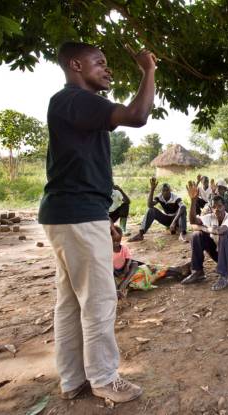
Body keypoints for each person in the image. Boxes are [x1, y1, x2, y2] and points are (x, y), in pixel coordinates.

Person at [39, 41, 155, 402]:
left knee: (72, 301)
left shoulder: (70, 105)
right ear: (75, 65)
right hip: (76, 216)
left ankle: (73, 379)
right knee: (99, 300)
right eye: (99, 63)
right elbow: (138, 115)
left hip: (69, 214)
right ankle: (105, 379)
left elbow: (79, 170)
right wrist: (148, 71)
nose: (107, 69)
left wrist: (102, 215)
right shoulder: (76, 99)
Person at [182, 183, 228, 291]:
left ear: (224, 207)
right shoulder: (211, 216)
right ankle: (198, 271)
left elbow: (220, 230)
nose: (217, 209)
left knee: (223, 234)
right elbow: (193, 222)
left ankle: (223, 276)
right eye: (214, 207)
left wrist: (203, 228)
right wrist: (193, 201)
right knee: (197, 235)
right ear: (211, 208)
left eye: (220, 206)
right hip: (220, 253)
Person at [112, 225, 187, 298]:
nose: (116, 243)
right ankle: (179, 270)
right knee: (153, 272)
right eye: (113, 241)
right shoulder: (106, 255)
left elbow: (129, 260)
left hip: (129, 274)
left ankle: (179, 270)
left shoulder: (122, 249)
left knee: (153, 269)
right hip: (122, 279)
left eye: (117, 241)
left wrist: (127, 267)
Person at [128, 178, 187, 242]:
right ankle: (140, 234)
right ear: (162, 191)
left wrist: (174, 222)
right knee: (151, 210)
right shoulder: (160, 197)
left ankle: (182, 234)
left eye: (167, 190)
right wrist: (152, 189)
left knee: (183, 210)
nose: (166, 192)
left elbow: (183, 206)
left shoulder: (175, 197)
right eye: (164, 191)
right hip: (167, 220)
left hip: (177, 220)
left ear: (170, 190)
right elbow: (150, 205)